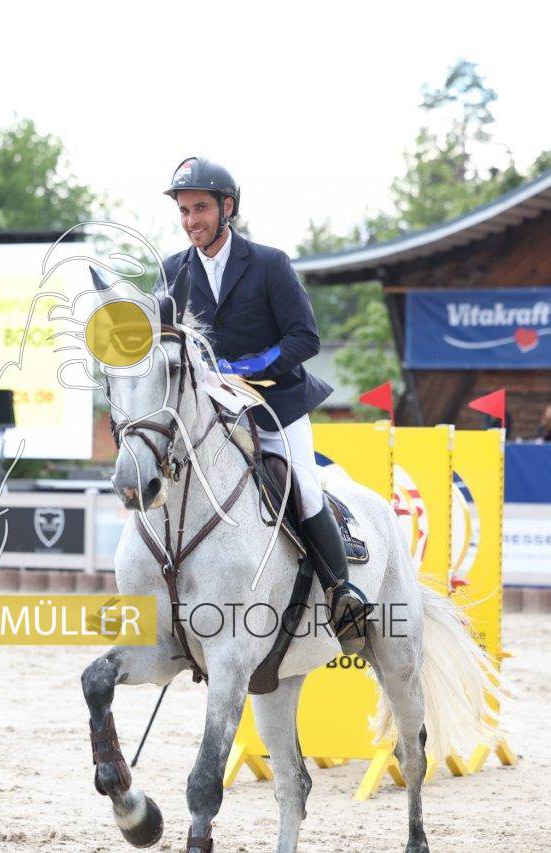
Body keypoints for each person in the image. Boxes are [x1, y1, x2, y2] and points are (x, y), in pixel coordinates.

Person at [159, 156, 369, 654]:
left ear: (227, 208)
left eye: (201, 208)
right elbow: (165, 341)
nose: (191, 221)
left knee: (305, 487)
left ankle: (340, 592)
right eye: (185, 211)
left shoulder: (269, 263)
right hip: (212, 412)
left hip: (275, 405)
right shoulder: (172, 271)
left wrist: (248, 367)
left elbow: (305, 338)